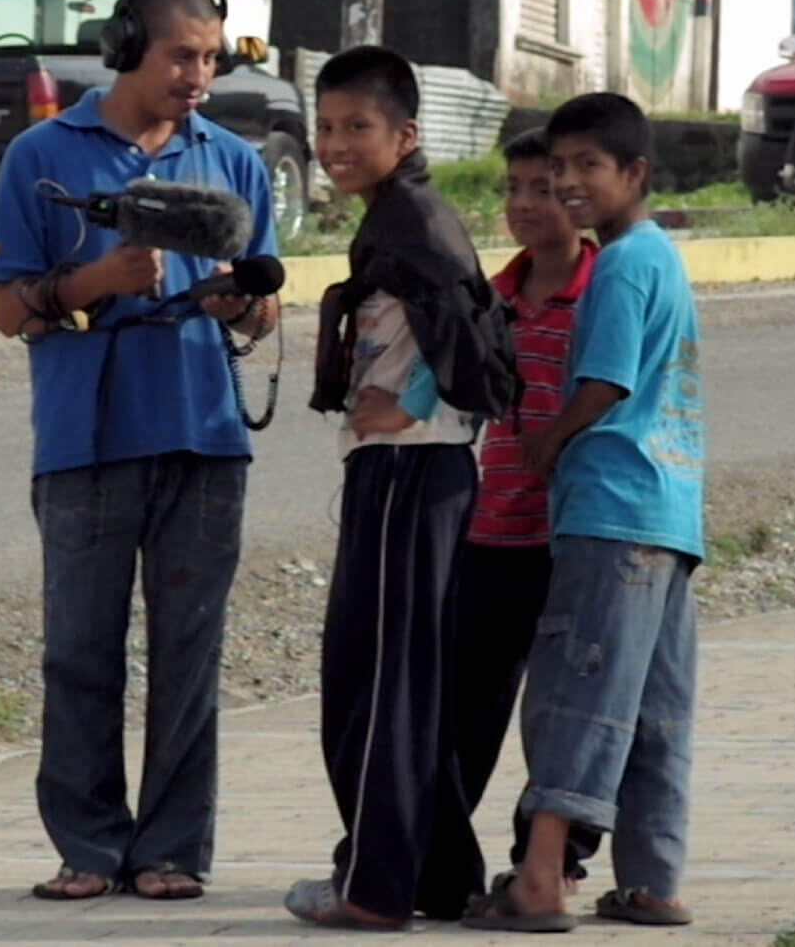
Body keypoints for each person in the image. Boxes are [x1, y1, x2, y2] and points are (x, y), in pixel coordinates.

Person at [0, 0, 281, 903]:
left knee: (190, 653)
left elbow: (266, 310)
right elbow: (5, 307)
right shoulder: (40, 156)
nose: (198, 74)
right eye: (180, 55)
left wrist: (244, 306)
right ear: (125, 51)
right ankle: (88, 847)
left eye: (211, 58)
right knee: (80, 649)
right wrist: (93, 283)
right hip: (86, 443)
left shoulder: (233, 160)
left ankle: (174, 850)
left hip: (205, 440)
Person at [284, 45, 519, 931]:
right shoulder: (403, 211)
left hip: (409, 471)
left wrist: (411, 400)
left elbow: (465, 326)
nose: (336, 143)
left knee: (373, 683)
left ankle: (375, 887)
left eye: (358, 127)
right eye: (328, 126)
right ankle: (441, 875)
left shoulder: (412, 219)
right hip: (418, 474)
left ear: (407, 134)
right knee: (405, 679)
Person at [465, 92, 706, 934]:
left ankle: (539, 880)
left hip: (611, 504)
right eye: (557, 167)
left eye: (587, 168)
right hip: (671, 512)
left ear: (634, 173)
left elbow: (605, 382)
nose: (567, 184)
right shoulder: (661, 256)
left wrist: (546, 443)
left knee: (577, 689)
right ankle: (652, 879)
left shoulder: (621, 265)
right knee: (653, 705)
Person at [449, 128, 607, 896]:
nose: (523, 204)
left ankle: (552, 858)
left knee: (567, 703)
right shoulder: (495, 297)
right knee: (466, 705)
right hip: (492, 528)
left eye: (542, 188)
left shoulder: (606, 288)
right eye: (512, 188)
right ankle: (434, 849)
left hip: (574, 533)